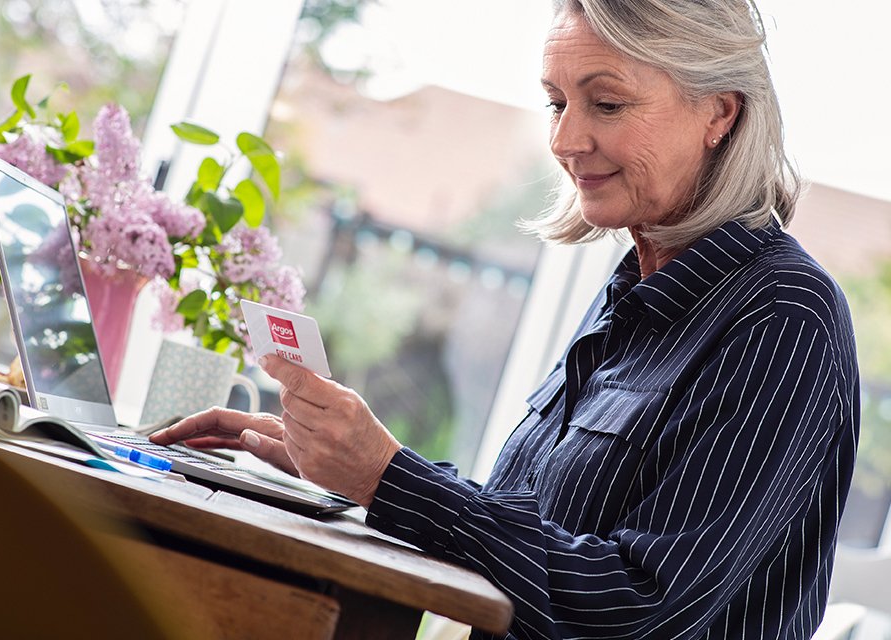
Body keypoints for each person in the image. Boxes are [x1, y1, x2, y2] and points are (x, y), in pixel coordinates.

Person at [151, 0, 859, 637]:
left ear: (720, 113)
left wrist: (387, 478)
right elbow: (534, 531)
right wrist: (342, 466)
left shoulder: (784, 318)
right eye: (556, 103)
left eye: (606, 104)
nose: (565, 140)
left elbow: (633, 607)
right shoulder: (632, 295)